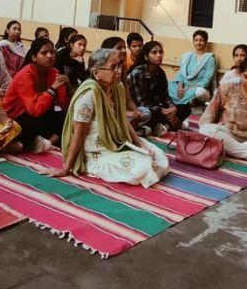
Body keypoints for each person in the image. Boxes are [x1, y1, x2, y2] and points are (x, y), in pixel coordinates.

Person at [53, 48, 169, 187]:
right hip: (98, 153)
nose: (119, 71)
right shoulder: (89, 94)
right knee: (144, 168)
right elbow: (79, 132)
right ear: (96, 73)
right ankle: (96, 168)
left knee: (158, 157)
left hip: (117, 143)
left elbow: (122, 121)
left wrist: (139, 143)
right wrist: (67, 168)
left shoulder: (116, 87)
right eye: (113, 67)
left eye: (119, 65)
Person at [2, 37, 70, 152]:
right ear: (34, 57)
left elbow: (62, 105)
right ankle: (36, 142)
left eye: (52, 52)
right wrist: (52, 88)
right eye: (44, 53)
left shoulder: (54, 73)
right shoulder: (25, 75)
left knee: (66, 116)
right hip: (16, 119)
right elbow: (34, 110)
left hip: (38, 116)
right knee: (30, 123)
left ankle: (48, 143)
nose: (50, 56)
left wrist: (66, 87)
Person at [127, 40, 180, 135]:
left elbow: (165, 97)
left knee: (185, 108)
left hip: (155, 107)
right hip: (139, 108)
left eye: (160, 52)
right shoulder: (137, 73)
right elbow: (141, 102)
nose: (159, 55)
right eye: (154, 52)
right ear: (146, 56)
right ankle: (161, 126)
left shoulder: (161, 73)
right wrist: (162, 110)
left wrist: (173, 109)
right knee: (148, 113)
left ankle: (159, 126)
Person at [169, 29, 217, 110]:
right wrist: (180, 88)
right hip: (183, 87)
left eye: (201, 40)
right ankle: (188, 100)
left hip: (199, 89)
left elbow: (205, 81)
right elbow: (181, 75)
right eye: (196, 40)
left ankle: (182, 99)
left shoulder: (209, 58)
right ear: (193, 42)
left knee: (199, 92)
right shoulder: (186, 57)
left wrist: (186, 90)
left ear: (205, 42)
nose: (198, 43)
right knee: (167, 84)